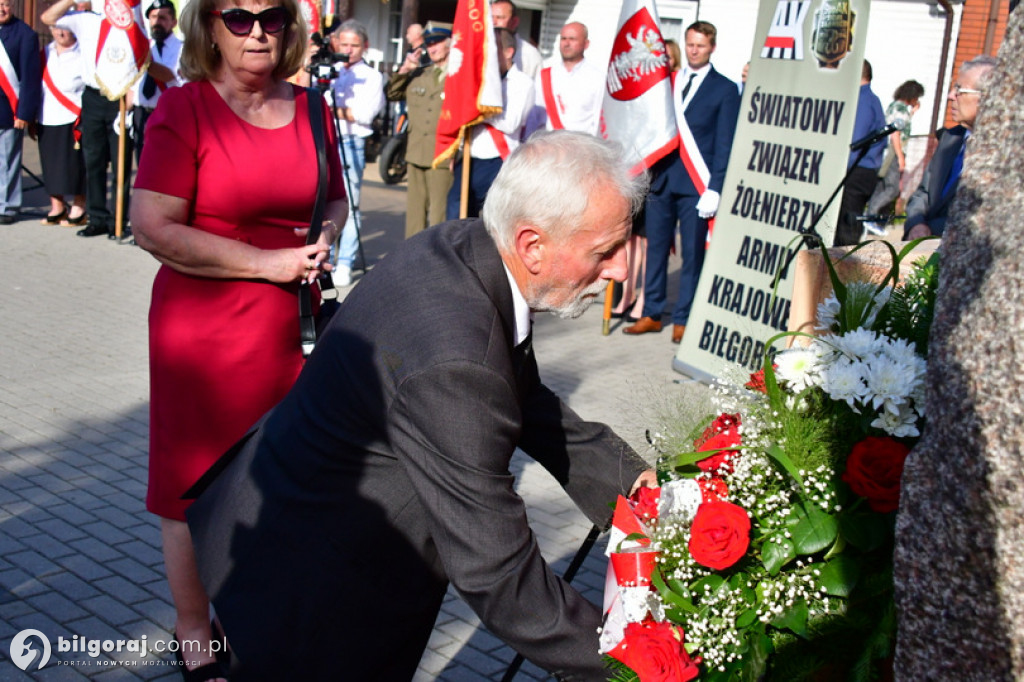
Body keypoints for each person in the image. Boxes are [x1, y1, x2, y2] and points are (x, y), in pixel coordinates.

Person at [186, 130, 657, 680]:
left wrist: (639, 487)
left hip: (303, 534)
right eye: (605, 251)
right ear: (532, 245)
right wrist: (633, 665)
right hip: (314, 589)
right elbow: (497, 570)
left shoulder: (471, 247)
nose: (622, 270)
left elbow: (526, 401)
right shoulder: (456, 356)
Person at [129, 0, 347, 677]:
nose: (257, 31)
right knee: (191, 485)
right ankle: (196, 634)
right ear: (209, 26)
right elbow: (154, 227)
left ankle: (260, 614)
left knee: (284, 482)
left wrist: (326, 239)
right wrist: (269, 263)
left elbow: (334, 197)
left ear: (291, 27)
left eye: (272, 17)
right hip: (203, 333)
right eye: (238, 16)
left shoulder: (314, 107)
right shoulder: (184, 108)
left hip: (295, 332)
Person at [624, 20, 740, 344]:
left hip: (696, 186)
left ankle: (683, 318)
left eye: (700, 46)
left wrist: (715, 188)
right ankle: (651, 312)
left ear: (712, 47)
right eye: (690, 44)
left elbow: (724, 143)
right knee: (656, 251)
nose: (693, 50)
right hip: (662, 181)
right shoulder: (669, 81)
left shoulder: (726, 89)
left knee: (691, 256)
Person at [41, 0, 136, 240]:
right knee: (93, 161)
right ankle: (97, 218)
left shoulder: (129, 22)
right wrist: (70, 1)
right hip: (93, 97)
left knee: (120, 163)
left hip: (121, 96)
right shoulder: (86, 20)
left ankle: (119, 220)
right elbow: (47, 19)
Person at [903, 56, 996, 240]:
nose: (950, 96)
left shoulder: (1001, 154)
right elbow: (923, 193)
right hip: (923, 251)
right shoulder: (950, 139)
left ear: (986, 98)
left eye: (959, 90)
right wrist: (916, 224)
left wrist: (932, 230)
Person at [446, 27, 534, 220]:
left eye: (492, 50)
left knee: (492, 221)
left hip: (498, 160)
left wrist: (479, 110)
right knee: (455, 216)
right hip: (470, 155)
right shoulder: (478, 81)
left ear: (508, 52)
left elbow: (510, 123)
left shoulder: (522, 83)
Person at [327, 19, 384, 286]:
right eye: (344, 44)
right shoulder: (331, 69)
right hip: (327, 142)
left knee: (350, 205)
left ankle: (345, 261)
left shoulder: (371, 76)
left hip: (352, 143)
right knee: (321, 202)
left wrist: (333, 112)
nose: (348, 50)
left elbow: (364, 115)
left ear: (365, 46)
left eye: (355, 45)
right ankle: (324, 255)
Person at [386, 20, 453, 238]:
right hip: (416, 152)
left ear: (449, 44)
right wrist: (405, 69)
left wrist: (457, 152)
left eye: (438, 43)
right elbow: (392, 94)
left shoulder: (458, 78)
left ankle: (437, 267)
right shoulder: (419, 74)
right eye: (429, 43)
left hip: (442, 157)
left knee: (439, 219)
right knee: (414, 219)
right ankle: (413, 265)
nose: (432, 48)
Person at [833, 59, 886, 246]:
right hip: (864, 172)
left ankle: (843, 268)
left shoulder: (862, 101)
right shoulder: (872, 100)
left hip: (856, 172)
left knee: (846, 228)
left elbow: (854, 142)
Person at [38, 24, 87, 226]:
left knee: (75, 165)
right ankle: (57, 206)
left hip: (73, 115)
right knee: (50, 165)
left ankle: (79, 206)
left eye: (65, 29)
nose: (60, 33)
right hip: (46, 115)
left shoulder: (82, 52)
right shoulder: (45, 52)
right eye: (56, 28)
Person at [863, 79, 924, 235]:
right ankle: (870, 217)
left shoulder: (896, 107)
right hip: (894, 153)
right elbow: (895, 133)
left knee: (883, 186)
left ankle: (871, 217)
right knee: (892, 187)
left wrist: (913, 112)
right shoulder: (900, 109)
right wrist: (900, 157)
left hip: (890, 151)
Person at [0, 0, 41, 225]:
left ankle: (8, 206)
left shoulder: (25, 34)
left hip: (8, 109)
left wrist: (24, 113)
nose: (1, 9)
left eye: (5, 4)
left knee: (8, 162)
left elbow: (30, 78)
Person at [527, 21, 604, 136]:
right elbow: (534, 117)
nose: (567, 43)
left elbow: (599, 120)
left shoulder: (597, 78)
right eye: (563, 39)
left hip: (581, 148)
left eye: (573, 39)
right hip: (548, 147)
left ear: (586, 44)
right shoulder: (544, 76)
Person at [133, 0, 183, 161]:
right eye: (153, 17)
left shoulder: (183, 48)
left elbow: (169, 75)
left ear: (173, 22)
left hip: (169, 115)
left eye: (162, 18)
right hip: (142, 114)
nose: (156, 22)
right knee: (143, 166)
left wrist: (143, 61)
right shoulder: (144, 47)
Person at [490, 0, 541, 78]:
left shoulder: (530, 55)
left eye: (500, 17)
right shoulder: (478, 49)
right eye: (491, 17)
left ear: (514, 22)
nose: (493, 22)